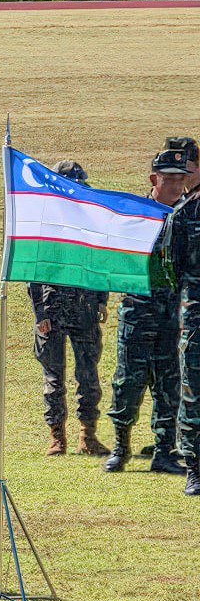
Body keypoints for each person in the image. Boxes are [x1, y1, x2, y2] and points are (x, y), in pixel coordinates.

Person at [105, 150, 189, 475]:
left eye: (180, 179)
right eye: (169, 179)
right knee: (128, 383)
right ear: (154, 179)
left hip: (173, 313)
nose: (176, 186)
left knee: (170, 386)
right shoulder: (136, 216)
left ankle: (164, 453)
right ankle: (120, 448)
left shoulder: (188, 218)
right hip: (138, 311)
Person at [27, 161, 111, 457]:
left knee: (88, 373)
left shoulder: (91, 223)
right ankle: (57, 436)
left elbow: (100, 262)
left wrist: (102, 298)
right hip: (52, 308)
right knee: (54, 375)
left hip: (84, 306)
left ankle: (87, 435)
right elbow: (32, 272)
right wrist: (40, 314)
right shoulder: (43, 227)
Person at [164, 141, 200, 496]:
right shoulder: (185, 213)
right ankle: (195, 467)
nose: (185, 177)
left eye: (190, 168)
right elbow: (172, 270)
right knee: (193, 393)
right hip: (197, 318)